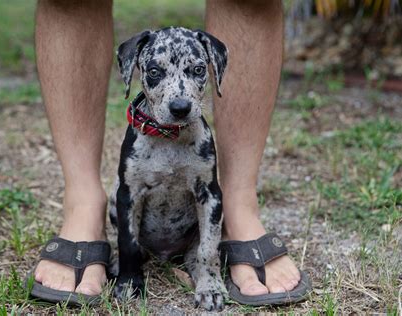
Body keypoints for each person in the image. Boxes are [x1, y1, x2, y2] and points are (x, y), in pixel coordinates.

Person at [32, 0, 303, 305]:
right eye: (157, 73)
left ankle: (237, 211)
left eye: (196, 71)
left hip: (191, 225)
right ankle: (84, 208)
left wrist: (206, 265)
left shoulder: (200, 140)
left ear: (215, 68)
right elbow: (129, 193)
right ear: (133, 68)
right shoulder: (138, 139)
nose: (180, 97)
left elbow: (205, 194)